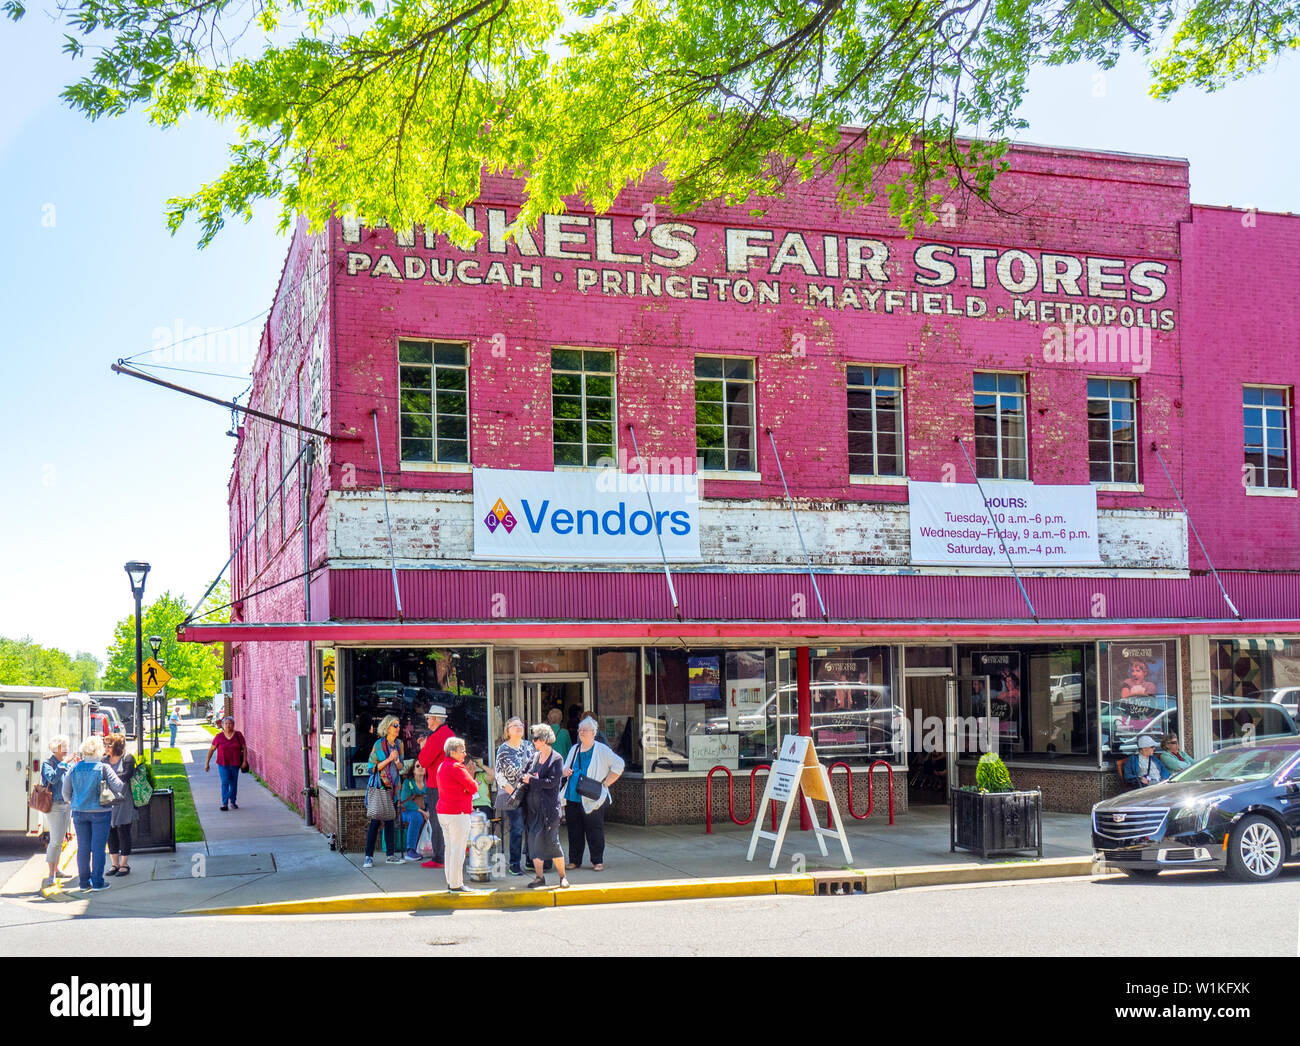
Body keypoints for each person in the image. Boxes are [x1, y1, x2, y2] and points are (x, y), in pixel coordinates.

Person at [561, 717, 625, 872]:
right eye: (580, 730)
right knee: (574, 830)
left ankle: (597, 860)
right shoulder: (574, 748)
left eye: (585, 730)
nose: (581, 733)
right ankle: (574, 860)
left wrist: (606, 783)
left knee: (594, 829)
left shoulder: (601, 749)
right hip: (572, 796)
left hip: (593, 796)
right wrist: (565, 772)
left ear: (593, 733)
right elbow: (564, 768)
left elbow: (619, 764)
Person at [62, 735, 124, 892]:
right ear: (99, 750)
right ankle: (97, 882)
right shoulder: (103, 768)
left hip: (79, 812)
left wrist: (74, 801)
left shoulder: (74, 768)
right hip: (101, 812)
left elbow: (65, 794)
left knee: (83, 848)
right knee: (98, 848)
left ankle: (83, 882)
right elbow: (118, 787)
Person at [522, 723, 568, 889]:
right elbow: (524, 773)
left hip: (549, 810)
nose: (532, 741)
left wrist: (532, 780)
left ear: (543, 739)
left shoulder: (556, 759)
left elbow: (553, 782)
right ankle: (539, 877)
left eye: (534, 738)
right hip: (533, 809)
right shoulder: (534, 757)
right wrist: (525, 777)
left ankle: (562, 877)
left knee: (552, 843)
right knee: (534, 844)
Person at [435, 736, 480, 892]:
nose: (464, 754)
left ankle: (451, 881)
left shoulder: (442, 766)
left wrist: (465, 789)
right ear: (452, 752)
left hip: (444, 812)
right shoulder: (457, 767)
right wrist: (467, 788)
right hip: (457, 813)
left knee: (450, 848)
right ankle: (456, 884)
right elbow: (474, 787)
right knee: (458, 850)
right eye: (462, 750)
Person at [494, 717, 534, 875]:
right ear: (507, 730)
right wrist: (512, 791)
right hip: (511, 794)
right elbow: (499, 774)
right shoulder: (503, 749)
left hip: (529, 792)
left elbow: (534, 766)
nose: (518, 728)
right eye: (514, 726)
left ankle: (531, 860)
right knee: (517, 828)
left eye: (520, 725)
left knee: (531, 827)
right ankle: (514, 864)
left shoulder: (529, 746)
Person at [363, 715, 404, 868]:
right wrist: (389, 759)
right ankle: (368, 856)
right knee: (375, 820)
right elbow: (371, 768)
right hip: (381, 786)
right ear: (387, 727)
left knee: (390, 820)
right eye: (395, 725)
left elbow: (401, 768)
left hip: (394, 787)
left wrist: (397, 761)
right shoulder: (378, 745)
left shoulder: (399, 744)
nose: (398, 728)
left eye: (399, 725)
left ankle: (390, 855)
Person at [418, 705, 454, 869]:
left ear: (435, 719)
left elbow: (424, 761)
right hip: (448, 783)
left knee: (437, 819)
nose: (427, 720)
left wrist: (423, 747)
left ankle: (439, 857)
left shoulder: (438, 736)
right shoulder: (449, 734)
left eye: (428, 718)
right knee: (447, 819)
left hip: (436, 784)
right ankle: (446, 854)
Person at [41, 735, 73, 888]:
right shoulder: (48, 764)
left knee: (60, 840)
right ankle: (51, 874)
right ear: (56, 749)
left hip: (66, 805)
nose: (66, 749)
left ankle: (57, 869)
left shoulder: (65, 764)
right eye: (63, 747)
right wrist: (64, 764)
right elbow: (52, 779)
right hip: (54, 806)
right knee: (54, 841)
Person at [103, 734, 137, 877]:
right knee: (110, 833)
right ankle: (114, 864)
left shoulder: (127, 758)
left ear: (115, 746)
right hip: (108, 802)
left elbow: (127, 775)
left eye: (108, 745)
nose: (105, 747)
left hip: (124, 801)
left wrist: (111, 780)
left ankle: (124, 864)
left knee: (123, 831)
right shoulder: (104, 760)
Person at [204, 715, 247, 810]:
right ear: (222, 725)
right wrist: (207, 763)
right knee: (225, 782)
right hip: (223, 764)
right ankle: (224, 804)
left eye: (230, 723)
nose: (228, 725)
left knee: (233, 784)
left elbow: (244, 748)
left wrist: (244, 761)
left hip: (235, 764)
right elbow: (211, 750)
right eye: (226, 724)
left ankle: (233, 801)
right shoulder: (219, 737)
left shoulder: (238, 735)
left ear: (233, 725)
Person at [399, 761, 430, 862]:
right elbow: (406, 802)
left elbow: (434, 798)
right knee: (416, 817)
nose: (421, 768)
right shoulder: (407, 782)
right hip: (406, 812)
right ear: (413, 770)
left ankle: (438, 849)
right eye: (417, 766)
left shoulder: (429, 781)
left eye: (423, 766)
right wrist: (423, 812)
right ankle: (410, 850)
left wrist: (429, 811)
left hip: (427, 811)